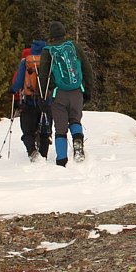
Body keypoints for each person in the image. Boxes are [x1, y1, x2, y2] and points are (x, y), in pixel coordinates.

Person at [38, 20, 94, 166]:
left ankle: (61, 161)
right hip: (76, 91)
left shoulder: (47, 51)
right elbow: (87, 69)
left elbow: (43, 76)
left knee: (60, 129)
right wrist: (87, 90)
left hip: (58, 94)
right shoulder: (74, 47)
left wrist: (42, 97)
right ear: (64, 33)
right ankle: (77, 140)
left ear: (52, 36)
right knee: (75, 120)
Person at [10, 39, 53, 161]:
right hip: (46, 102)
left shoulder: (26, 62)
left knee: (28, 132)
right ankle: (43, 156)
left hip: (30, 101)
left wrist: (13, 90)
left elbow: (18, 82)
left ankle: (32, 152)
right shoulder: (49, 61)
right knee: (45, 132)